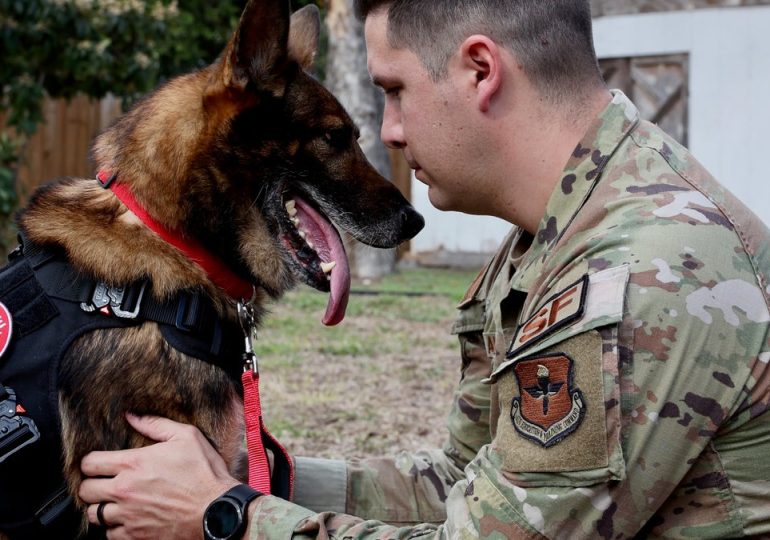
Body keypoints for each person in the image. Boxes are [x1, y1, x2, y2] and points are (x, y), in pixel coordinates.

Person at [79, 0, 770, 538]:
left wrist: (222, 514)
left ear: (479, 70)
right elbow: (457, 481)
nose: (387, 131)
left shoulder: (643, 272)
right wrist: (251, 473)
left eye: (394, 90)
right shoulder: (554, 234)